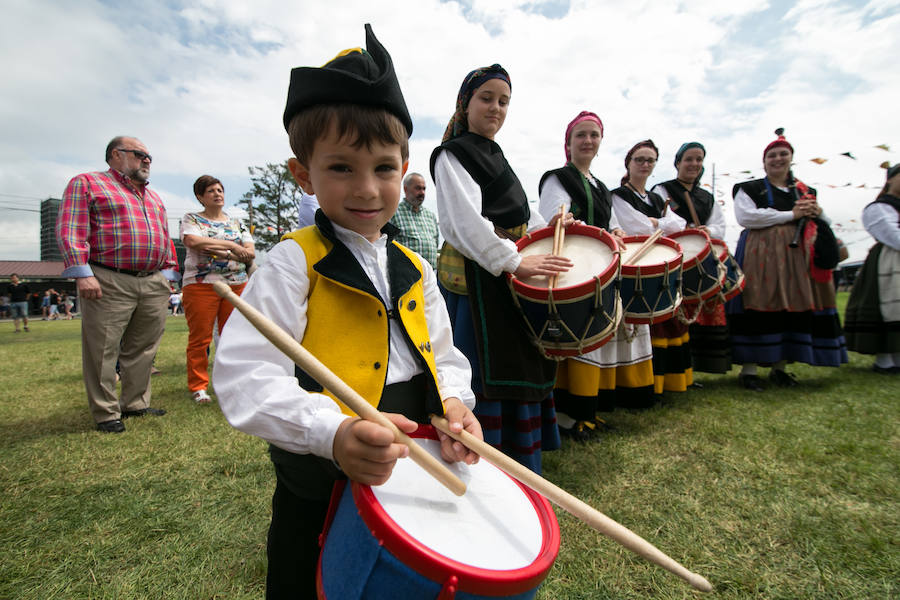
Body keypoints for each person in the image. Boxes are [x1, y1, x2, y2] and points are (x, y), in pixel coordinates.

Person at [212, 25, 481, 599]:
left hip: (411, 452)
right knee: (309, 579)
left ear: (404, 166)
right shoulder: (291, 263)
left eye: (384, 168)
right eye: (341, 168)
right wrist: (330, 433)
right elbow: (244, 377)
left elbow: (443, 355)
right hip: (322, 470)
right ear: (303, 174)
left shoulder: (416, 266)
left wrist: (455, 401)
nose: (367, 188)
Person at [432, 63, 573, 472]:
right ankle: (482, 460)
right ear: (466, 103)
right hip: (477, 279)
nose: (496, 108)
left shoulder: (495, 154)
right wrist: (514, 262)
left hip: (503, 273)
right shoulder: (451, 155)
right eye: (487, 98)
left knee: (520, 361)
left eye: (504, 101)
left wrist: (553, 225)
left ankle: (516, 459)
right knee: (482, 367)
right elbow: (462, 224)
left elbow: (519, 211)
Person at [537, 111, 654, 437]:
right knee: (576, 339)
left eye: (593, 135)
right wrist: (569, 223)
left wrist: (615, 233)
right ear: (569, 142)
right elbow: (553, 219)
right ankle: (565, 417)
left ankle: (587, 412)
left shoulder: (601, 187)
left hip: (602, 268)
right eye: (581, 135)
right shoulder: (557, 178)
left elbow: (613, 222)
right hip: (574, 268)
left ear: (600, 142)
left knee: (596, 338)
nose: (588, 141)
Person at [57, 135, 178, 433]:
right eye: (139, 154)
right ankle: (106, 412)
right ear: (115, 155)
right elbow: (71, 228)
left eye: (149, 156)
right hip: (107, 278)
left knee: (144, 347)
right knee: (103, 348)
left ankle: (135, 404)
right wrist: (83, 273)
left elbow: (165, 239)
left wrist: (169, 276)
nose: (147, 160)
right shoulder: (86, 183)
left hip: (152, 281)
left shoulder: (153, 197)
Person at [727, 129, 848, 390]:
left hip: (796, 255)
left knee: (791, 303)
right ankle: (749, 370)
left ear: (791, 158)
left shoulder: (805, 191)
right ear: (764, 161)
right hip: (760, 253)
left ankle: (780, 367)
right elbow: (747, 218)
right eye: (772, 155)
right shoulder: (749, 188)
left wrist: (817, 211)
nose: (778, 159)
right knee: (757, 301)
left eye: (783, 154)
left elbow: (819, 220)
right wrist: (790, 215)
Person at [612, 140, 692, 396]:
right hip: (636, 267)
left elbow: (679, 224)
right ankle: (643, 385)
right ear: (629, 163)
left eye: (650, 161)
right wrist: (662, 223)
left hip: (661, 264)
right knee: (644, 324)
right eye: (639, 160)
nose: (645, 165)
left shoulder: (657, 198)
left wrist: (656, 221)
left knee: (667, 323)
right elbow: (637, 227)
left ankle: (667, 383)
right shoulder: (619, 195)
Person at [651, 142, 730, 375]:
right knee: (677, 313)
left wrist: (707, 231)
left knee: (702, 311)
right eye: (689, 159)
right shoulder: (662, 190)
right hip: (674, 257)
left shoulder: (706, 197)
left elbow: (720, 227)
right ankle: (678, 369)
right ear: (678, 162)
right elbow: (660, 222)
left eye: (699, 159)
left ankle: (698, 367)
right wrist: (686, 230)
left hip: (702, 257)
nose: (694, 164)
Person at [180, 175, 255, 403]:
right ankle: (199, 386)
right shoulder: (191, 219)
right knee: (200, 338)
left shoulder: (236, 223)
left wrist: (215, 249)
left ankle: (233, 382)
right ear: (200, 197)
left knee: (233, 336)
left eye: (220, 189)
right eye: (211, 190)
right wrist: (232, 247)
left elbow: (250, 253)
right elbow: (193, 242)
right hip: (201, 284)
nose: (217, 194)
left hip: (236, 283)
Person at [844, 163, 900, 373]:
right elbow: (892, 236)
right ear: (890, 179)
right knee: (887, 306)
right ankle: (884, 359)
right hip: (889, 261)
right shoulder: (880, 207)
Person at [389, 172, 440, 269]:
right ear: (405, 189)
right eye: (418, 188)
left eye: (424, 189)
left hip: (430, 277)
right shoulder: (393, 213)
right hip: (405, 276)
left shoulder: (431, 216)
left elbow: (436, 243)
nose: (422, 193)